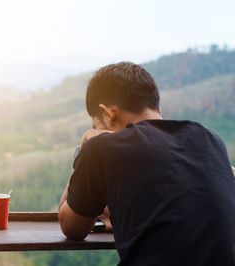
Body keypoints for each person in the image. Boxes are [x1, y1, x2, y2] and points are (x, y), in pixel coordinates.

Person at [58, 62, 235, 266]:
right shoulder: (209, 139)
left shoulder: (102, 147)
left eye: (96, 125)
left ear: (108, 114)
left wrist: (85, 145)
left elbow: (71, 226)